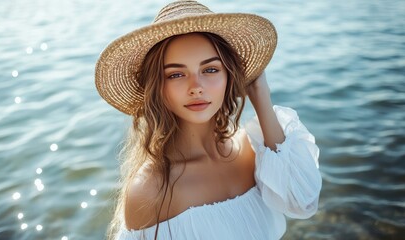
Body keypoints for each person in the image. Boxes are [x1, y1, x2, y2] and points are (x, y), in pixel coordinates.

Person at [95, 0, 322, 239]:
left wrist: (260, 95)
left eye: (210, 69)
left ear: (230, 76)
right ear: (158, 88)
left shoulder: (254, 150)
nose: (196, 87)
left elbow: (302, 203)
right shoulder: (151, 189)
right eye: (176, 74)